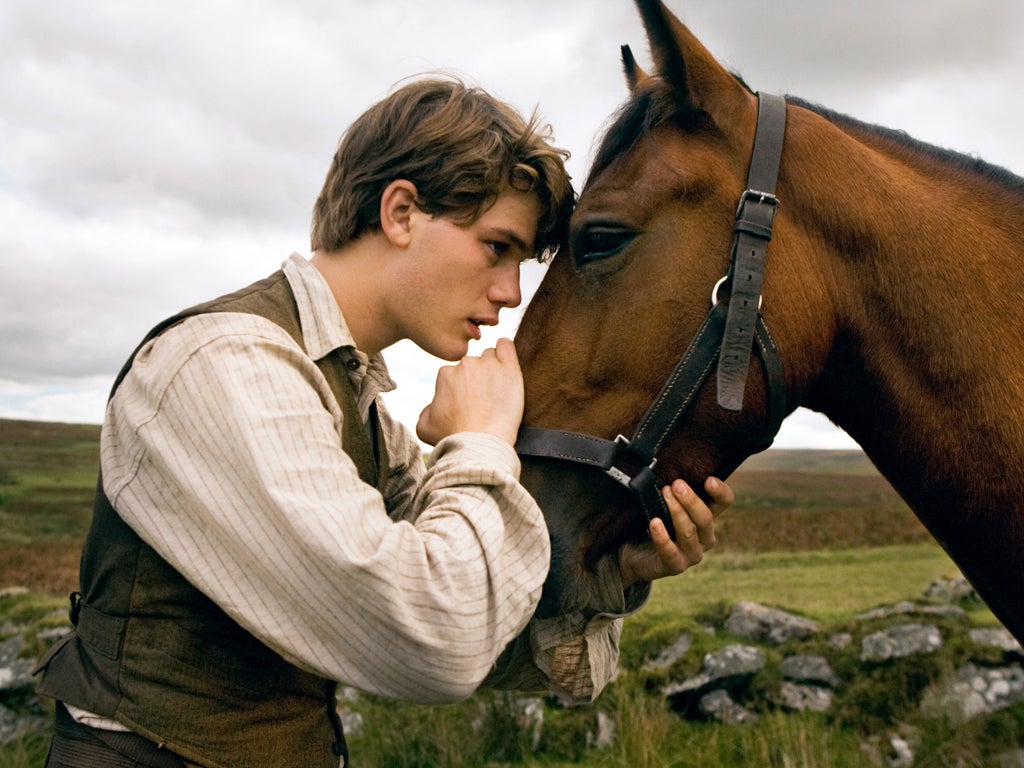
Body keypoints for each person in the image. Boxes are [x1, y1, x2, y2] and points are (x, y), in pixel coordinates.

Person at [33, 76, 733, 768]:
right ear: (400, 213)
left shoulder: (354, 397)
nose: (510, 293)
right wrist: (480, 443)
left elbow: (475, 622)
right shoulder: (224, 364)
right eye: (497, 247)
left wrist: (608, 572)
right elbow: (436, 643)